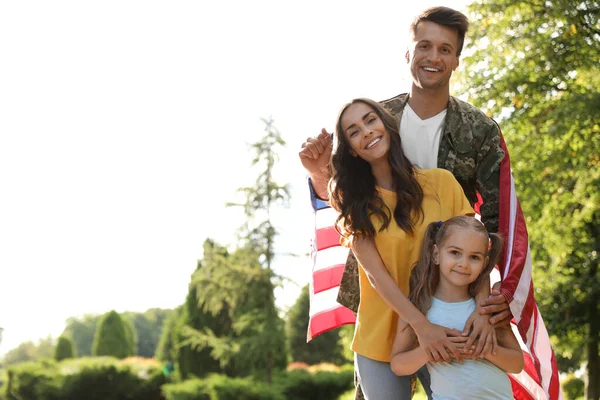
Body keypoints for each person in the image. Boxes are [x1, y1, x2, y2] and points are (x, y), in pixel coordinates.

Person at [299, 7, 510, 399]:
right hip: (384, 316)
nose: (433, 56)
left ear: (457, 59)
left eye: (444, 49)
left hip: (452, 312)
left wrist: (484, 307)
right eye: (424, 45)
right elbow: (340, 191)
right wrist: (317, 174)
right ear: (408, 53)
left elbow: (492, 230)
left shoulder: (479, 132)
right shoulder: (378, 117)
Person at [329, 97, 493, 399]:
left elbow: (476, 254)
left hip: (448, 328)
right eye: (353, 131)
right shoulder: (356, 206)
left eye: (370, 120)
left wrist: (482, 311)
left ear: (386, 125)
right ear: (351, 149)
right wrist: (420, 326)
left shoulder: (442, 183)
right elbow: (377, 278)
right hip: (380, 337)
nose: (366, 131)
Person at [390, 216, 524, 399]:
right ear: (436, 254)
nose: (463, 264)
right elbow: (398, 365)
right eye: (455, 253)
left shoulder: (487, 309)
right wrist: (431, 349)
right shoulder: (418, 309)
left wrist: (482, 349)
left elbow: (516, 364)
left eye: (474, 257)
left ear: (484, 264)